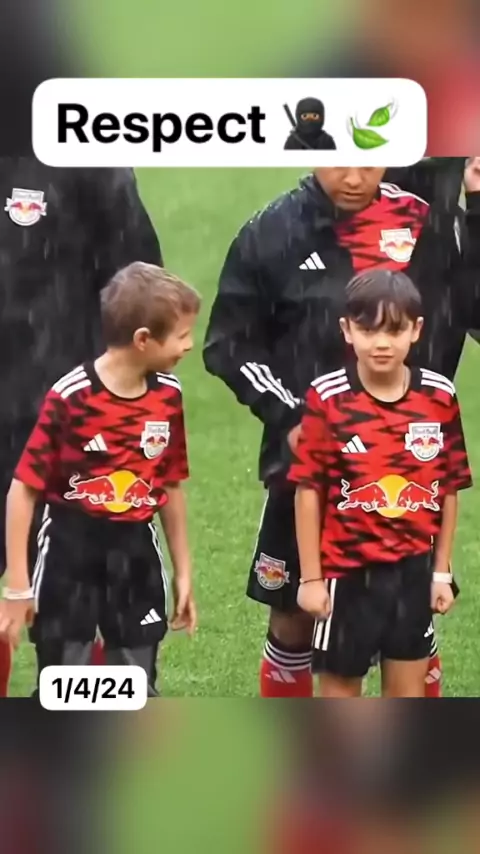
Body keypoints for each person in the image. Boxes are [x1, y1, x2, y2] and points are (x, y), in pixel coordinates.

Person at [203, 159, 480, 699]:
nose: (354, 177)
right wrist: (291, 415)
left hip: (407, 471)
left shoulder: (422, 222)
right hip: (310, 467)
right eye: (339, 163)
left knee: (410, 628)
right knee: (294, 617)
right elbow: (227, 344)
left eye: (368, 162)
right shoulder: (273, 231)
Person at [0, 162, 163, 695]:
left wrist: (113, 403)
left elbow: (139, 289)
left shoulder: (85, 161)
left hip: (64, 422)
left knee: (76, 593)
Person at [0, 262, 199, 694]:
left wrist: (183, 571)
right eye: (182, 335)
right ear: (143, 340)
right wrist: (17, 585)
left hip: (136, 551)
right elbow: (23, 489)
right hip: (69, 550)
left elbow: (170, 483)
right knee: (64, 685)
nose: (189, 345)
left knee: (136, 686)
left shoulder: (168, 395)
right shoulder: (70, 396)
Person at [288, 270, 471, 697]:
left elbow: (448, 489)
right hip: (345, 575)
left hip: (412, 575)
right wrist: (311, 580)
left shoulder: (439, 397)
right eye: (368, 330)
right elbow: (308, 490)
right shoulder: (327, 398)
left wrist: (440, 571)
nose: (382, 343)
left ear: (416, 330)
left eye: (395, 330)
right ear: (347, 330)